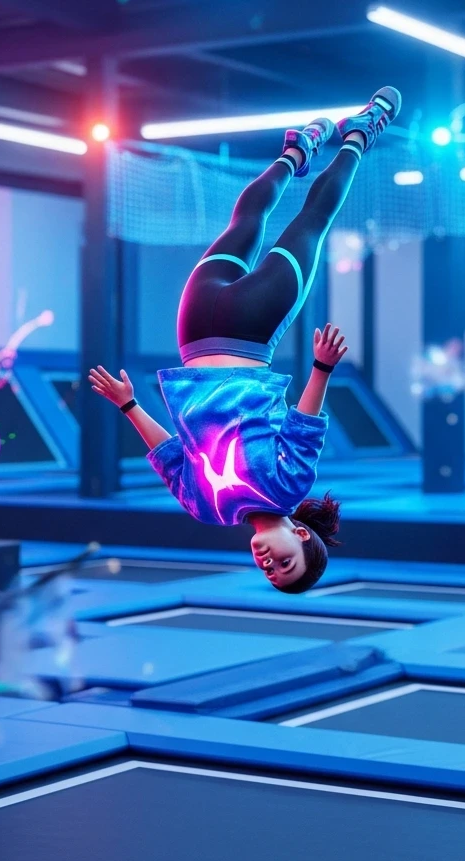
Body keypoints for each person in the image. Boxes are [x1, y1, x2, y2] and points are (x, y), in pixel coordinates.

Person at [91, 86, 402, 591]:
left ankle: (295, 151)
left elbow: (169, 453)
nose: (268, 562)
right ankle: (359, 136)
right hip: (253, 330)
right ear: (301, 535)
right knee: (310, 223)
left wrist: (129, 406)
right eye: (285, 563)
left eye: (268, 572)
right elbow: (305, 423)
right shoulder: (288, 486)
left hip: (194, 332)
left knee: (243, 221)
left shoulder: (206, 509)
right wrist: (321, 368)